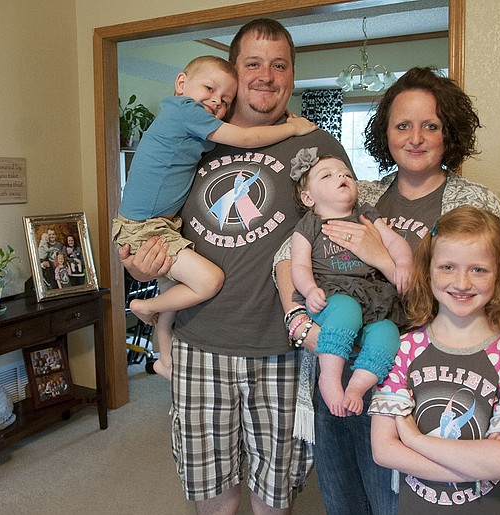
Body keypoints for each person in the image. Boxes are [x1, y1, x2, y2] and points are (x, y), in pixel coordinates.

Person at [119, 19, 349, 514]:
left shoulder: (318, 145)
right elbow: (155, 227)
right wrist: (140, 267)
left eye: (279, 64)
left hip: (283, 348)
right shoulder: (195, 138)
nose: (266, 75)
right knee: (212, 494)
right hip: (200, 345)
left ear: (292, 73)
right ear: (233, 71)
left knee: (275, 495)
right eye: (252, 64)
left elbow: (341, 240)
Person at [274, 66, 500, 514]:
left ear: (449, 133)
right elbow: (285, 255)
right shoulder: (360, 192)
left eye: (430, 125)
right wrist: (298, 319)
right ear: (385, 132)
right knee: (342, 499)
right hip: (335, 365)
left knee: (393, 503)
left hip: (408, 384)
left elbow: (473, 294)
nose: (415, 137)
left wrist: (382, 256)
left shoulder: (475, 202)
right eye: (402, 125)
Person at [112, 54, 318, 380]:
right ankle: (146, 308)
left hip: (161, 224)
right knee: (208, 281)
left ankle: (164, 359)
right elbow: (246, 138)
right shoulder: (186, 111)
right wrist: (292, 127)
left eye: (225, 100)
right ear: (181, 84)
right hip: (146, 226)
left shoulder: (192, 127)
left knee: (174, 296)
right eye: (208, 88)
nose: (215, 101)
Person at [369, 205, 500, 513]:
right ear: (427, 270)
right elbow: (384, 451)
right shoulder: (402, 350)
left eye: (478, 269)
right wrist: (481, 461)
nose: (462, 283)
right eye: (447, 267)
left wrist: (414, 440)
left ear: (499, 275)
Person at [289, 147, 411, 422]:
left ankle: (357, 386)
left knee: (387, 331)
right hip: (331, 296)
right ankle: (330, 380)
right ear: (308, 197)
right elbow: (298, 265)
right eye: (327, 175)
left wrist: (402, 264)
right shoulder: (310, 225)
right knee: (346, 310)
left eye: (346, 173)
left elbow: (394, 242)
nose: (341, 177)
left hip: (372, 296)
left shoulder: (366, 215)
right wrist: (309, 290)